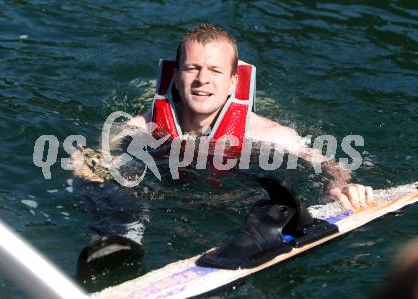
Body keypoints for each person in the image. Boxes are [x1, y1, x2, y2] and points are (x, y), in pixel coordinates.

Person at [122, 23, 374, 212]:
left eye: (215, 70)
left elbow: (327, 164)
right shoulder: (140, 127)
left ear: (233, 82)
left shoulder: (272, 134)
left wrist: (338, 188)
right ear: (176, 77)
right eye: (192, 68)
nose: (202, 79)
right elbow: (99, 156)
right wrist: (88, 166)